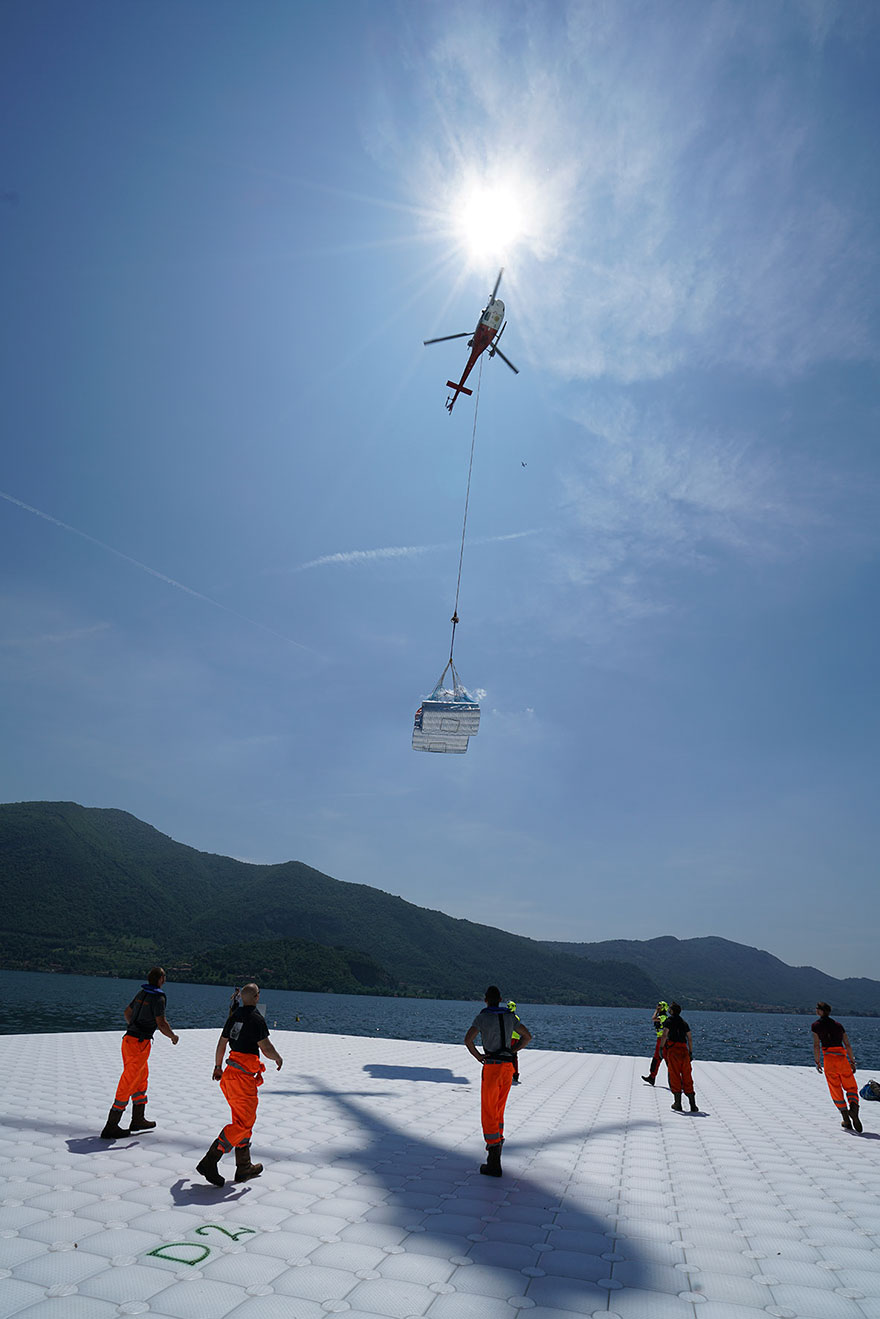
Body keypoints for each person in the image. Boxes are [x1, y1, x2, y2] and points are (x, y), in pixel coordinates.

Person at [196, 983, 283, 1187]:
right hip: (243, 1080)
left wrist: (217, 1066)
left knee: (242, 1120)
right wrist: (278, 1058)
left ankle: (244, 1167)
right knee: (244, 1124)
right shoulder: (256, 1018)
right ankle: (210, 1161)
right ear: (256, 997)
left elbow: (221, 1043)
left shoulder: (234, 1016)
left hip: (229, 1076)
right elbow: (266, 1047)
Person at [101, 967, 179, 1139]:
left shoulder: (141, 993)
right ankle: (111, 1125)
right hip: (139, 1043)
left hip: (129, 1040)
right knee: (129, 1081)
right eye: (164, 976)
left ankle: (138, 1119)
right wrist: (172, 1036)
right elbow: (161, 1023)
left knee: (141, 1077)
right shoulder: (158, 997)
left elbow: (127, 1012)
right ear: (160, 979)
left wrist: (133, 1026)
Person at [465, 986, 532, 1177]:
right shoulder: (510, 1017)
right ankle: (498, 1144)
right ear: (500, 999)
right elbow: (527, 1036)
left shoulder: (483, 1017)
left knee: (488, 1109)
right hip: (507, 1068)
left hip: (492, 1066)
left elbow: (468, 1040)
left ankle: (493, 1159)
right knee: (499, 1108)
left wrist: (479, 1056)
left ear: (486, 999)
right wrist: (513, 1050)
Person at [812, 1002, 862, 1132]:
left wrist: (817, 1061)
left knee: (835, 1088)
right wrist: (852, 1061)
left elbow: (816, 1045)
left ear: (821, 1011)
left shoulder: (816, 1026)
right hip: (842, 1059)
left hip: (829, 1060)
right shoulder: (838, 1026)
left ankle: (846, 1119)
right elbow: (848, 1045)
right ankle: (854, 1109)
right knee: (851, 1086)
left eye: (817, 1009)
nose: (816, 1010)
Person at [660, 1002, 698, 1113]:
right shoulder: (684, 1023)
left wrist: (661, 1048)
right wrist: (690, 1052)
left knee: (674, 1075)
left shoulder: (669, 1021)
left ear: (671, 1011)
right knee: (687, 1075)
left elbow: (664, 1034)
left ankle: (678, 1103)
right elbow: (689, 1038)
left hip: (673, 1050)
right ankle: (693, 1105)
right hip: (684, 1050)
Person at [642, 999, 669, 1086]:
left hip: (663, 1040)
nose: (658, 1007)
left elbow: (653, 1018)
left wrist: (656, 1011)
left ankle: (679, 1081)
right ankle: (652, 1077)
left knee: (667, 1060)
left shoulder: (663, 1017)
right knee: (656, 1059)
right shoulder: (663, 1016)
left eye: (660, 1006)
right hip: (660, 1039)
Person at [508, 1000, 523, 1084]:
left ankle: (511, 1074)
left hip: (510, 1039)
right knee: (514, 1058)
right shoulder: (516, 1017)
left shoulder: (507, 1017)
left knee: (508, 1057)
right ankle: (515, 1074)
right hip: (516, 1039)